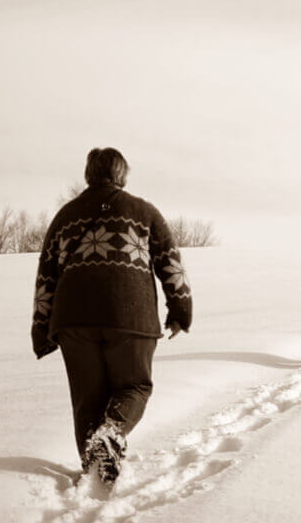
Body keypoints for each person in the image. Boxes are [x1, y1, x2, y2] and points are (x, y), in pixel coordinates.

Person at [31, 147, 192, 485]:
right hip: (129, 315)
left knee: (87, 397)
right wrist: (180, 311)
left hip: (73, 319)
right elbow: (171, 264)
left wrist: (42, 327)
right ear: (122, 173)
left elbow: (46, 276)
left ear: (89, 173)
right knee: (134, 385)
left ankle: (95, 470)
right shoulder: (144, 212)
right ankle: (112, 433)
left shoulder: (65, 216)